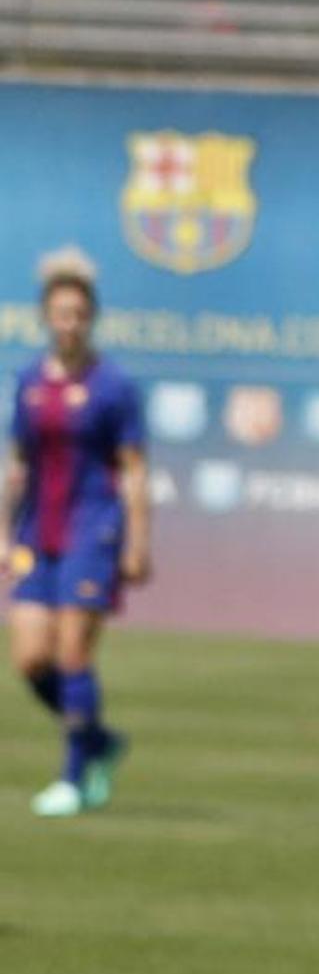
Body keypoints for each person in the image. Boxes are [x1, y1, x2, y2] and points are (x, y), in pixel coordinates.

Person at [8, 249, 148, 819]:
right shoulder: (28, 382)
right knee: (29, 660)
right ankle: (100, 742)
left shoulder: (114, 386)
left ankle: (73, 775)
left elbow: (135, 470)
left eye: (79, 313)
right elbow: (16, 462)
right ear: (46, 317)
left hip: (93, 529)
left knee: (72, 654)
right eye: (61, 313)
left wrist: (138, 543)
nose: (70, 323)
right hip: (36, 532)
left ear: (92, 318)